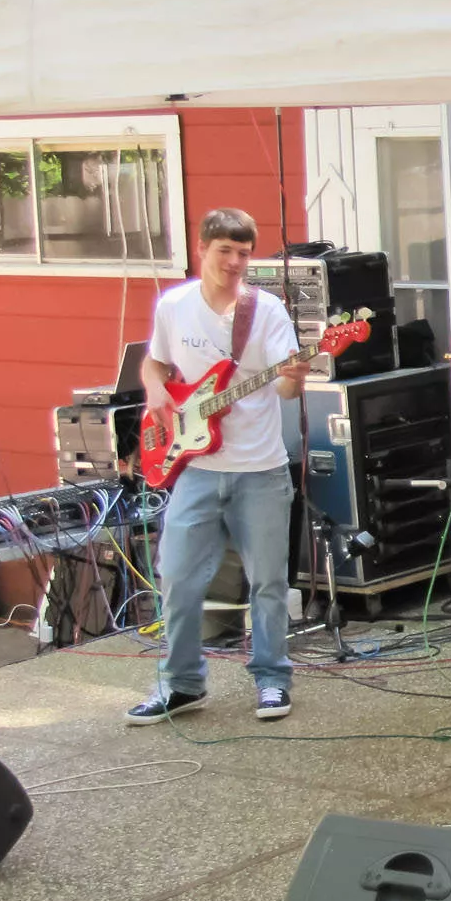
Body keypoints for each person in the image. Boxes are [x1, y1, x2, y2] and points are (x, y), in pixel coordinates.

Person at [127, 209, 309, 725]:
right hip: (196, 466)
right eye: (225, 251)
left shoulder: (267, 311)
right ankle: (181, 685)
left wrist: (295, 378)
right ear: (202, 248)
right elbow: (155, 363)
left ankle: (272, 680)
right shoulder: (174, 305)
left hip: (261, 469)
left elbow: (284, 386)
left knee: (268, 582)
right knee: (178, 576)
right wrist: (158, 391)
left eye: (244, 253)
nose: (234, 262)